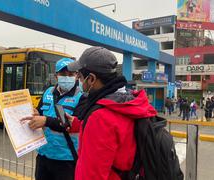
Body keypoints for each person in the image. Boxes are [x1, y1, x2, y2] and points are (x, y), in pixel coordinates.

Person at [64, 47, 157, 180]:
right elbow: (119, 134)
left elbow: (92, 175)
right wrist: (80, 125)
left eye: (80, 75)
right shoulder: (130, 101)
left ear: (91, 79)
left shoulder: (100, 117)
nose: (78, 78)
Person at [21, 58, 82, 180]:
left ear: (76, 76)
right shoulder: (48, 92)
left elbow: (74, 124)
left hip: (66, 159)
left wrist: (45, 120)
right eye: (63, 74)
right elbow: (40, 112)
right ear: (56, 76)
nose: (67, 77)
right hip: (44, 155)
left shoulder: (82, 97)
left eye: (70, 74)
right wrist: (36, 113)